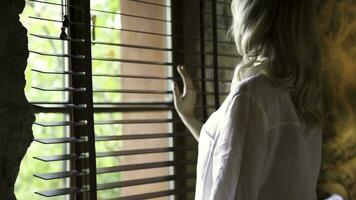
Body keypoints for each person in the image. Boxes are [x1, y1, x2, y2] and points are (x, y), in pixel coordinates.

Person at [172, 0, 324, 199]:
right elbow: (238, 155)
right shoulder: (305, 95)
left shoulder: (252, 96)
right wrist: (189, 118)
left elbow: (233, 180)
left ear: (251, 18)